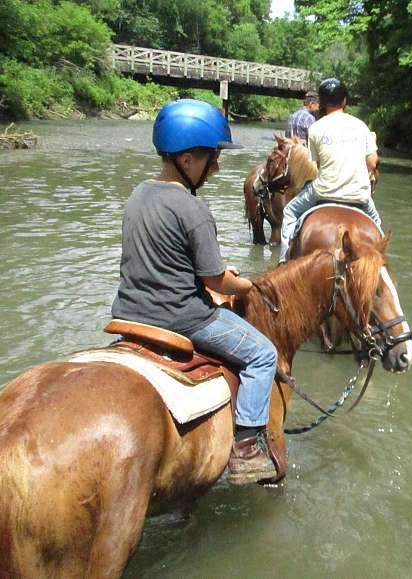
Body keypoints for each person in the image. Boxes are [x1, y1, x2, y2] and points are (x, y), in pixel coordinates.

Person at [111, 99, 278, 484]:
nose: (216, 167)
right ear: (187, 160)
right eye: (212, 157)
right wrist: (245, 284)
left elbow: (159, 259)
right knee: (263, 354)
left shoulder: (137, 195)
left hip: (129, 312)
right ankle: (248, 448)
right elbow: (216, 282)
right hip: (183, 318)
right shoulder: (192, 209)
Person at [279, 78, 381, 263]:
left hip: (323, 193)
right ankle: (379, 264)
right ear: (344, 101)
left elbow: (317, 167)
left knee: (289, 213)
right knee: (378, 228)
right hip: (359, 196)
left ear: (323, 103)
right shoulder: (361, 126)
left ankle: (283, 263)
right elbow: (373, 164)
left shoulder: (316, 128)